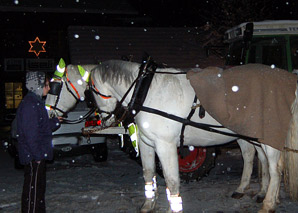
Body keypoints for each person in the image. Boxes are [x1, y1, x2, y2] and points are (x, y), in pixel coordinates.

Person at [16, 71, 62, 213]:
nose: (48, 88)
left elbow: (40, 126)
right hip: (33, 157)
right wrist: (37, 156)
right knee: (33, 192)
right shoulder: (30, 104)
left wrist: (55, 121)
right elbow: (31, 134)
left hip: (37, 155)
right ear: (37, 86)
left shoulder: (36, 102)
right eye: (46, 85)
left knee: (38, 190)